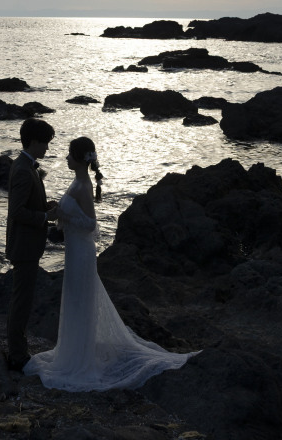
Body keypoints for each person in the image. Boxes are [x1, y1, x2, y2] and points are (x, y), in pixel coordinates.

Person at [24, 136, 200, 390]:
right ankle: (75, 349)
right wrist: (60, 212)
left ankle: (80, 357)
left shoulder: (83, 185)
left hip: (82, 253)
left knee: (81, 301)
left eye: (69, 155)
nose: (65, 157)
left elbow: (91, 225)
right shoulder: (78, 181)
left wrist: (63, 214)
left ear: (79, 158)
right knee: (75, 300)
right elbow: (75, 218)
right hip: (74, 251)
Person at [6, 116, 58, 370]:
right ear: (34, 142)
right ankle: (16, 355)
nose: (47, 148)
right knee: (21, 302)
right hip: (24, 246)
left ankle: (18, 349)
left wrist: (45, 207)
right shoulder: (25, 171)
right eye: (45, 143)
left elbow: (26, 205)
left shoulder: (26, 166)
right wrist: (46, 216)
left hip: (27, 244)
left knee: (22, 300)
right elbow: (16, 212)